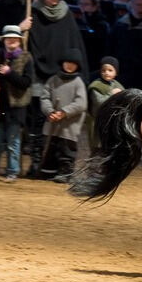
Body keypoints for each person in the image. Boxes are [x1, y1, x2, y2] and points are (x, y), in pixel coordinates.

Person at [26, 0, 88, 177]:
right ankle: (37, 163)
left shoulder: (67, 14)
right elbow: (29, 43)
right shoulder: (33, 12)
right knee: (39, 121)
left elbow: (74, 44)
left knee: (62, 125)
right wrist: (23, 27)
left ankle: (56, 165)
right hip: (39, 76)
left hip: (63, 77)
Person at [0, 25, 33, 182]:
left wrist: (9, 73)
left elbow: (26, 82)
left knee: (13, 142)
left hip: (16, 107)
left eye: (15, 38)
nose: (11, 41)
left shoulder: (26, 58)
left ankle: (12, 171)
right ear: (4, 40)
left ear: (19, 41)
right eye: (8, 38)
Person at [40, 49, 87, 182]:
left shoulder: (78, 82)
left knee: (66, 150)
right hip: (52, 122)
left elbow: (81, 103)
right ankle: (48, 172)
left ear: (78, 65)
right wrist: (50, 111)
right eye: (67, 62)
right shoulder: (53, 80)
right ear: (62, 63)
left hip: (69, 126)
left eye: (73, 63)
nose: (69, 65)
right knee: (51, 148)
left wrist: (64, 112)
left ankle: (65, 174)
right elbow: (45, 97)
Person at [86, 56, 123, 155]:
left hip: (111, 124)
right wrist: (111, 94)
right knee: (97, 150)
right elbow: (100, 103)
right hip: (98, 123)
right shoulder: (96, 86)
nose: (106, 72)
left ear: (116, 72)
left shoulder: (118, 86)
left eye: (110, 70)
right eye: (104, 70)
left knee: (109, 150)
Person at [75, 0, 110, 77]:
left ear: (94, 7)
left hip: (93, 62)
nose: (82, 6)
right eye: (80, 3)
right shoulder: (74, 20)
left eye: (86, 4)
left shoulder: (101, 24)